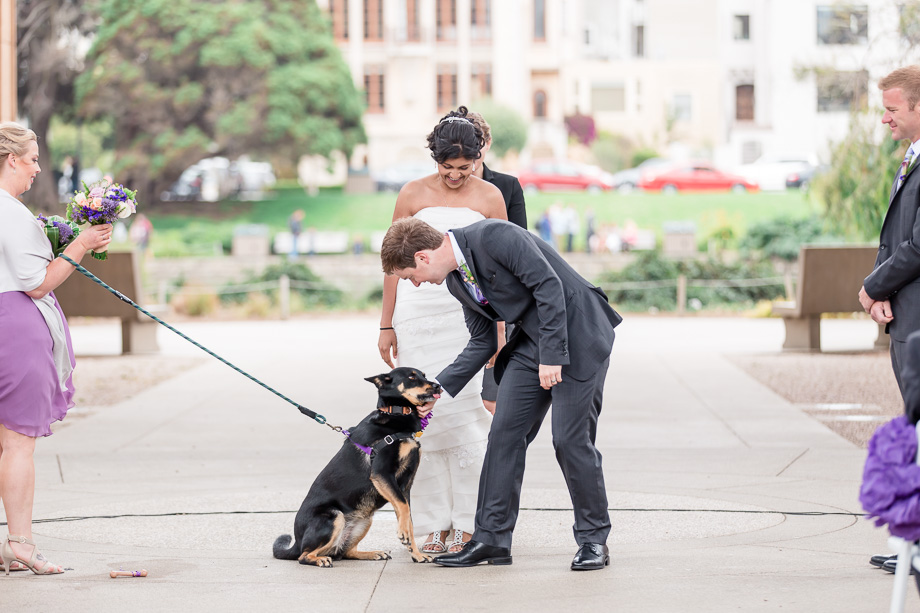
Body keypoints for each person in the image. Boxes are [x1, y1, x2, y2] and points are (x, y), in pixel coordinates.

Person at [380, 216, 623, 570]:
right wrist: (436, 390)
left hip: (578, 333)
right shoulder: (457, 283)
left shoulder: (495, 236)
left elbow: (549, 286)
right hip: (530, 344)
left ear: (422, 257)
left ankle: (593, 539)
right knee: (504, 434)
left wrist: (552, 356)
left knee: (570, 440)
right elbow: (482, 341)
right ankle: (491, 540)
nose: (415, 284)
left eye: (409, 277)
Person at [377, 106, 507, 555]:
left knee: (468, 417)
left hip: (467, 316)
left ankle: (470, 522)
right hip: (416, 311)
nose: (454, 176)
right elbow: (392, 263)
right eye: (446, 167)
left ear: (478, 158)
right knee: (424, 419)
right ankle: (432, 523)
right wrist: (386, 323)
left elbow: (501, 271)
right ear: (434, 159)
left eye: (464, 168)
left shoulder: (491, 197)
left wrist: (500, 332)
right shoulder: (411, 193)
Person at [0, 122, 111, 575]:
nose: (37, 168)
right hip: (14, 330)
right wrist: (80, 245)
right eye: (32, 159)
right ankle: (21, 543)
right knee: (17, 444)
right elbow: (38, 284)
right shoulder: (10, 212)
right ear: (11, 160)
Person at [859, 65, 920, 572]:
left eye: (893, 109)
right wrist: (883, 291)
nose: (885, 119)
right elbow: (898, 240)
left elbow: (919, 246)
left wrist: (872, 286)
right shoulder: (912, 155)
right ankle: (912, 546)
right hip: (906, 316)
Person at [466, 110, 528, 415]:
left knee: (492, 398)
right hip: (448, 294)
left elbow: (519, 250)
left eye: (477, 146)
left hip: (497, 299)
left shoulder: (507, 186)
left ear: (487, 144)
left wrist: (502, 319)